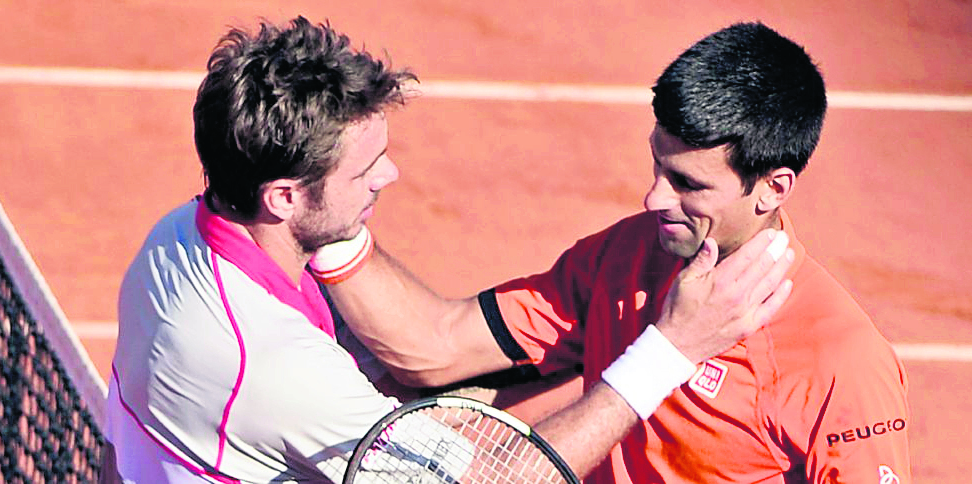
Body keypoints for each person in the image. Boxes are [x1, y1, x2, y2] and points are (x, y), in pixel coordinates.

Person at [103, 17, 794, 483]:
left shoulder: (177, 236)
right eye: (362, 170)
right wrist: (669, 352)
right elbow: (495, 480)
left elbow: (425, 353)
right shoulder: (277, 372)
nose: (389, 175)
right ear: (284, 197)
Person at [325, 22, 911, 483]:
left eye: (688, 184)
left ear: (772, 189)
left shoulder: (841, 360)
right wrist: (321, 209)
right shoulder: (629, 254)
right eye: (657, 165)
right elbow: (439, 345)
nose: (654, 198)